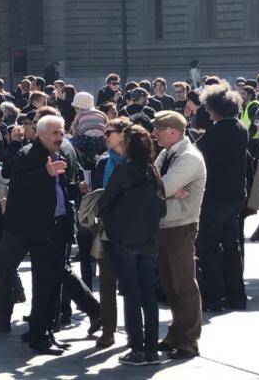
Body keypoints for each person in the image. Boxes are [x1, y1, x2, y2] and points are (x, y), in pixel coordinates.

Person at [2, 115, 73, 355]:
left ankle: (48, 331)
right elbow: (18, 183)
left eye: (61, 132)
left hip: (59, 227)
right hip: (40, 230)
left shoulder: (59, 155)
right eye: (55, 133)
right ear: (41, 134)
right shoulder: (27, 154)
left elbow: (61, 189)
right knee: (43, 284)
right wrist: (45, 173)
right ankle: (38, 336)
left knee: (55, 284)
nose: (60, 137)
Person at [97, 123, 166, 366]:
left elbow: (103, 203)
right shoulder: (153, 172)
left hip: (125, 239)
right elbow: (162, 207)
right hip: (149, 240)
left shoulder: (123, 172)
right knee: (148, 295)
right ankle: (151, 349)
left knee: (131, 294)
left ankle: (136, 348)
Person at [151, 110, 206, 360]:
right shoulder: (167, 153)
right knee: (170, 284)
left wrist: (167, 188)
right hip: (165, 224)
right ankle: (176, 333)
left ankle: (188, 341)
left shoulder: (189, 158)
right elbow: (156, 182)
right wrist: (167, 188)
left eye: (158, 130)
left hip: (180, 226)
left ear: (172, 132)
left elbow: (161, 187)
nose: (155, 135)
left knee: (183, 284)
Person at [195, 83, 249, 311]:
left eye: (208, 108)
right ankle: (237, 295)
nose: (207, 112)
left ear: (216, 108)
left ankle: (214, 296)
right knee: (232, 245)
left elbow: (196, 152)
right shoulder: (240, 127)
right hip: (236, 195)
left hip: (215, 197)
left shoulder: (216, 132)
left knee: (210, 247)